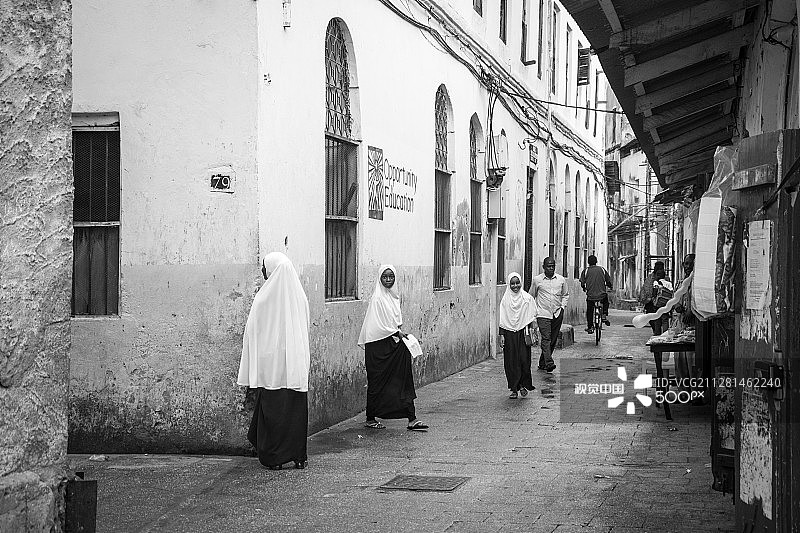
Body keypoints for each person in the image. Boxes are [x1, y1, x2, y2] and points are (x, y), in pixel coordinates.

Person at [237, 252, 310, 470]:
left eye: (264, 267)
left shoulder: (263, 298)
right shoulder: (300, 297)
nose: (262, 271)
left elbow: (252, 332)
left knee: (273, 409)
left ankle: (274, 457)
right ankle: (298, 456)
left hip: (271, 365)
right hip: (294, 364)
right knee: (295, 409)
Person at [358, 265, 428, 431]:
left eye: (391, 277)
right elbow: (378, 326)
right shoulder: (377, 299)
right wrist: (397, 332)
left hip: (391, 343)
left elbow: (392, 324)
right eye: (385, 277)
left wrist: (398, 333)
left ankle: (412, 417)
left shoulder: (392, 297)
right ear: (379, 279)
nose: (388, 280)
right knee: (376, 382)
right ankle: (370, 418)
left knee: (403, 379)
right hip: (377, 348)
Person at [499, 272, 538, 399]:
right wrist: (502, 335)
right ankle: (514, 389)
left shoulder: (527, 298)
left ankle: (522, 385)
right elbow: (503, 319)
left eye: (517, 283)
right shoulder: (505, 300)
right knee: (511, 362)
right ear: (509, 284)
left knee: (523, 360)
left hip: (523, 333)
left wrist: (534, 330)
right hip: (509, 334)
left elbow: (532, 315)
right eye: (512, 283)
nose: (515, 286)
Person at [531, 257, 569, 373]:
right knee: (546, 338)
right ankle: (549, 362)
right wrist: (533, 314)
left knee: (552, 339)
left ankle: (542, 362)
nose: (551, 268)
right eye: (548, 266)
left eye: (552, 266)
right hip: (543, 313)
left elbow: (565, 295)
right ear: (544, 267)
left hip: (557, 313)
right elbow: (531, 296)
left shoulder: (561, 280)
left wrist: (562, 307)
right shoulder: (537, 280)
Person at [579, 255, 612, 334]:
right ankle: (604, 314)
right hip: (602, 295)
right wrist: (610, 286)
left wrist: (584, 288)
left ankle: (590, 327)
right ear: (596, 261)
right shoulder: (602, 270)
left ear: (588, 262)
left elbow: (582, 283)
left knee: (590, 310)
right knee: (606, 301)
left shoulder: (585, 271)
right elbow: (608, 281)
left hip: (591, 296)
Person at [638, 261, 667, 335]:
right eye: (657, 267)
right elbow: (646, 287)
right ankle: (656, 332)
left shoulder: (666, 277)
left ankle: (663, 334)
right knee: (652, 318)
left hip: (663, 302)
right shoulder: (650, 277)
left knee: (663, 319)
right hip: (650, 302)